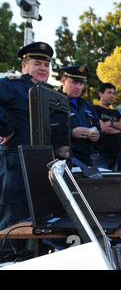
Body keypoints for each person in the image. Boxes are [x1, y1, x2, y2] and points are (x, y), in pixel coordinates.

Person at [0, 42, 53, 233]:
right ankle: (8, 260)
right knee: (13, 220)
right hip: (16, 160)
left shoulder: (47, 92)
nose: (43, 68)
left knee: (37, 219)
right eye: (37, 63)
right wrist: (6, 129)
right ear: (24, 66)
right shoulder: (11, 85)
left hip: (42, 160)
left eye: (46, 65)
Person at [61, 65, 101, 167]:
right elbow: (46, 132)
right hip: (65, 160)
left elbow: (97, 126)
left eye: (81, 83)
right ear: (63, 81)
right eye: (74, 83)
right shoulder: (54, 102)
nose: (78, 87)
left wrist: (97, 135)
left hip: (87, 160)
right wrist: (71, 133)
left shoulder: (87, 105)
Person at [92, 83, 121, 170]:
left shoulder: (116, 113)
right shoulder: (95, 110)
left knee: (113, 182)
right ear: (100, 94)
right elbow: (102, 128)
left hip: (115, 156)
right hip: (99, 155)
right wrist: (119, 129)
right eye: (109, 92)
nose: (112, 96)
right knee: (100, 182)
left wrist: (111, 123)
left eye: (113, 93)